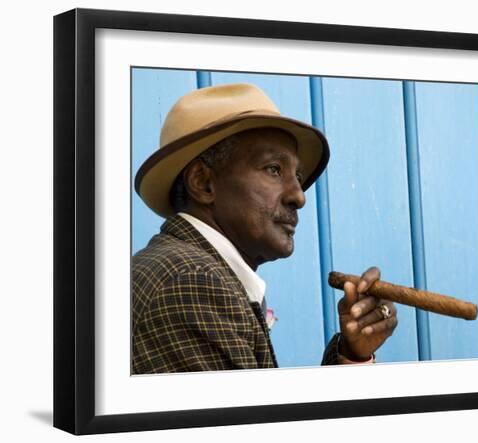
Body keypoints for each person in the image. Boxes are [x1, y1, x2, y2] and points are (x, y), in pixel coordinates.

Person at [132, 83, 398, 374]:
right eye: (274, 169)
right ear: (203, 182)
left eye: (297, 176)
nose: (299, 196)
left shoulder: (190, 270)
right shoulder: (192, 282)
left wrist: (352, 355)